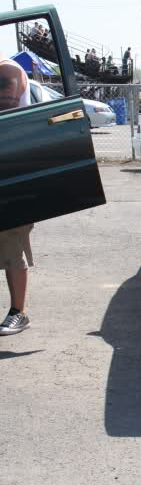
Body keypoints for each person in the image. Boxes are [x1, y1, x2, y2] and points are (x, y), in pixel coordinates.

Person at [0, 56, 33, 335]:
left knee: (11, 242)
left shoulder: (7, 70)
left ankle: (17, 312)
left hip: (9, 165)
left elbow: (6, 108)